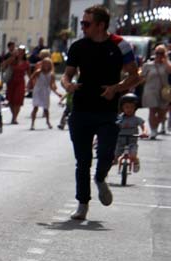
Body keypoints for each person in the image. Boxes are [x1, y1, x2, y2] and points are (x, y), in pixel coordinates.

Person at [62, 4, 140, 221]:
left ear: (100, 25)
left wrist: (115, 88)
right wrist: (67, 85)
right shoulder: (78, 46)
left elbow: (135, 76)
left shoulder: (120, 45)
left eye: (86, 24)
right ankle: (82, 204)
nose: (83, 27)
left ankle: (101, 178)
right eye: (82, 23)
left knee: (106, 153)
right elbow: (66, 75)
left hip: (107, 111)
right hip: (81, 110)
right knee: (83, 160)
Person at [140, 44, 171, 139]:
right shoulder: (148, 65)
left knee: (162, 112)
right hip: (150, 90)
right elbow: (141, 77)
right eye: (157, 53)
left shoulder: (167, 65)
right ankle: (153, 130)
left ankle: (155, 126)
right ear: (154, 53)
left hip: (163, 92)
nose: (159, 55)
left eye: (161, 53)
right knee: (152, 110)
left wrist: (165, 60)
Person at [114, 93, 148, 173]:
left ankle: (136, 162)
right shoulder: (119, 118)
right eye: (127, 107)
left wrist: (144, 132)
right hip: (119, 141)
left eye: (132, 107)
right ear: (122, 108)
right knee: (114, 157)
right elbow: (113, 125)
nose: (129, 109)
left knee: (132, 156)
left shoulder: (136, 119)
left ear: (135, 108)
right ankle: (104, 173)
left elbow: (143, 125)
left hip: (132, 142)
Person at [29, 58, 62, 130]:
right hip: (38, 91)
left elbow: (51, 85)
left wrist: (57, 93)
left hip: (46, 91)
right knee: (35, 107)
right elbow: (31, 78)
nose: (46, 65)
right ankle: (32, 124)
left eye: (48, 64)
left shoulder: (51, 74)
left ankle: (48, 121)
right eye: (44, 63)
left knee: (46, 109)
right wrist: (31, 85)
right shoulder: (38, 72)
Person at [1, 45, 29, 124]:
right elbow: (3, 65)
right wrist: (12, 57)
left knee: (18, 101)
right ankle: (14, 115)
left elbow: (29, 74)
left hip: (20, 83)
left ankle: (14, 118)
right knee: (10, 101)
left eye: (22, 51)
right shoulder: (12, 60)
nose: (20, 53)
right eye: (19, 51)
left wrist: (31, 83)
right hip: (11, 82)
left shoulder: (26, 63)